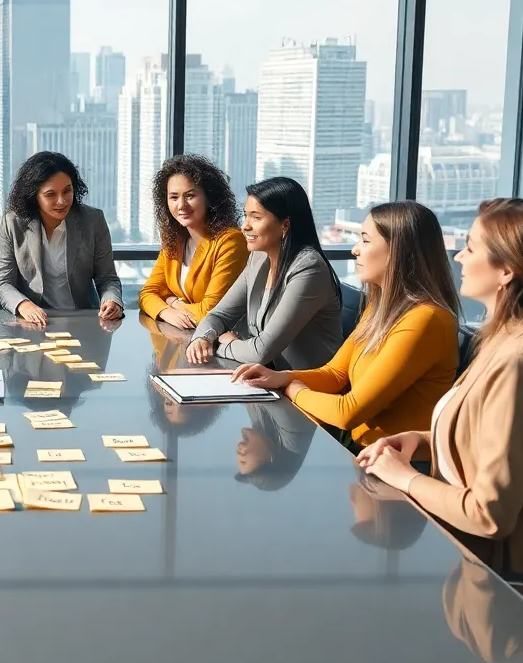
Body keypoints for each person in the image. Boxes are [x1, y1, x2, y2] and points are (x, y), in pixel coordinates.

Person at [358, 198, 523, 584]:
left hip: (499, 596)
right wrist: (422, 439)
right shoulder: (506, 342)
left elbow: (488, 514)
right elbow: (491, 438)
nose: (459, 257)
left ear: (507, 271)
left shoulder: (521, 363)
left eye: (471, 247)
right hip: (466, 568)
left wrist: (404, 478)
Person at [234, 201, 460, 450]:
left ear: (398, 250)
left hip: (400, 467)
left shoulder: (425, 320)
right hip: (365, 455)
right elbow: (335, 374)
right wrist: (280, 377)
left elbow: (348, 413)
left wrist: (293, 388)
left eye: (365, 240)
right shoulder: (382, 308)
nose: (355, 250)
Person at [188, 177, 342, 369]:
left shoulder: (309, 268)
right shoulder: (259, 258)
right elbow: (219, 315)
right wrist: (202, 339)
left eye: (256, 217)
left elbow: (261, 352)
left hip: (307, 389)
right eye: (246, 215)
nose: (245, 226)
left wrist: (220, 343)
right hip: (269, 379)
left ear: (285, 224)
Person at [0, 151, 123, 323]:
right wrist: (24, 305)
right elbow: (3, 282)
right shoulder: (13, 223)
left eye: (67, 191)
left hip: (82, 320)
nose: (61, 201)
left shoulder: (93, 221)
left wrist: (112, 300)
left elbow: (107, 279)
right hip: (32, 321)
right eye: (50, 195)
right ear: (34, 196)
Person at [139, 154, 248, 329]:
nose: (181, 205)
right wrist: (166, 312)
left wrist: (172, 302)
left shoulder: (230, 241)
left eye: (190, 196)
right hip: (182, 340)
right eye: (173, 197)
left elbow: (211, 312)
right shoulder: (175, 239)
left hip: (221, 343)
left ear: (209, 197)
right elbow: (147, 294)